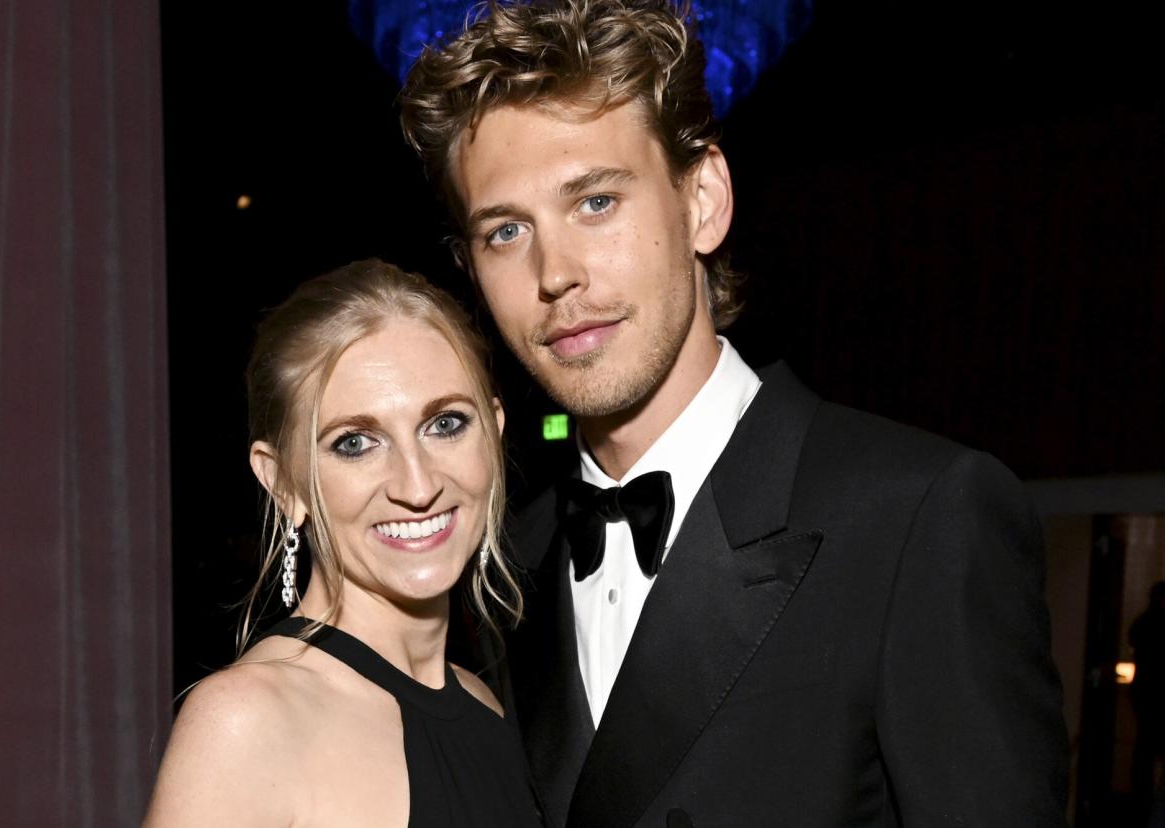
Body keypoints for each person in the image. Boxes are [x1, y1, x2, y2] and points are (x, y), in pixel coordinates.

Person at [400, 1, 1071, 825]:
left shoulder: (918, 516)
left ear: (704, 201)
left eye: (597, 203)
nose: (556, 274)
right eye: (506, 232)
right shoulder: (507, 561)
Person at [143, 260, 542, 826]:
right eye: (355, 442)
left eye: (446, 424)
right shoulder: (248, 722)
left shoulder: (487, 705)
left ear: (493, 434)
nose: (419, 485)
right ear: (283, 482)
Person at [1130, 581, 1165, 824]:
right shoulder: (1151, 623)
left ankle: (1140, 800)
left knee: (1145, 749)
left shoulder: (1144, 622)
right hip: (1153, 694)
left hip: (1147, 693)